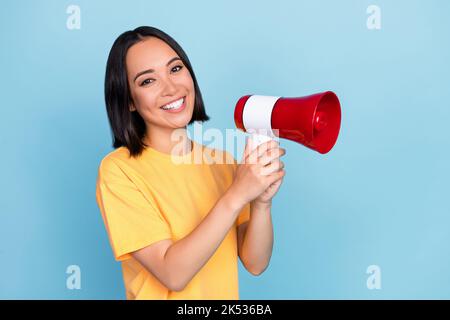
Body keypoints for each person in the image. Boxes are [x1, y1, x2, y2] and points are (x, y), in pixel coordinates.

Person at [95, 26, 286, 299]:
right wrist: (237, 195)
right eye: (148, 81)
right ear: (129, 102)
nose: (171, 88)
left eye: (175, 69)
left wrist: (261, 203)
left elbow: (255, 264)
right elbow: (174, 274)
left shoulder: (222, 162)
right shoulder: (119, 171)